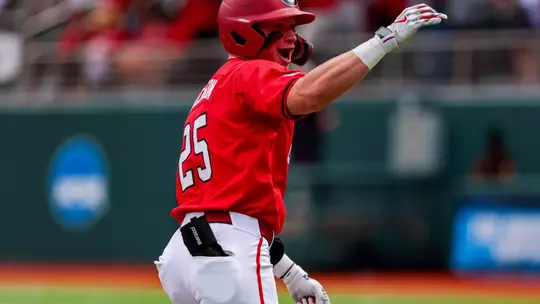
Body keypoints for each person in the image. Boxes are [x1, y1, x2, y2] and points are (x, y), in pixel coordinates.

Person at [154, 1, 447, 303]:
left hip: (189, 249)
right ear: (244, 31)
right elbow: (309, 94)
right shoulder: (248, 73)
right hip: (228, 249)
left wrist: (290, 273)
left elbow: (229, 213)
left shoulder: (217, 86)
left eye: (292, 28)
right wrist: (385, 39)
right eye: (278, 28)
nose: (291, 38)